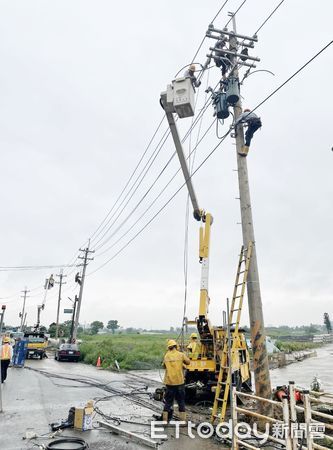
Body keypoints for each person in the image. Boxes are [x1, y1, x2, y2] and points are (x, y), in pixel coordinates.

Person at [162, 339, 190, 422]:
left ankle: (164, 420)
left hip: (169, 383)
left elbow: (164, 366)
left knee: (168, 402)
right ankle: (183, 421)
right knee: (181, 401)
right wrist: (182, 363)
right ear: (176, 346)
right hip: (179, 383)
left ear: (169, 347)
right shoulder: (181, 355)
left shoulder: (166, 356)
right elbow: (188, 362)